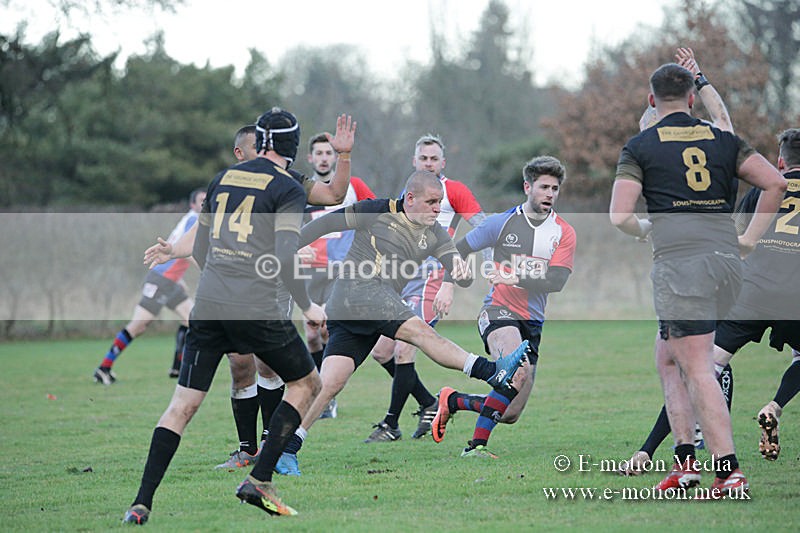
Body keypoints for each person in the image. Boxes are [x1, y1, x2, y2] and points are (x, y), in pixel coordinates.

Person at [122, 108, 351, 524]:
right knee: (308, 383)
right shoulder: (287, 187)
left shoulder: (223, 178)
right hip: (257, 306)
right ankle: (260, 478)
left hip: (209, 305)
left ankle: (141, 503)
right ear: (292, 147)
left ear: (259, 143)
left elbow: (205, 244)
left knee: (182, 405)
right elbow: (284, 256)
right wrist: (307, 306)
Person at [272, 170, 531, 475]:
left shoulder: (436, 234)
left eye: (440, 203)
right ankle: (493, 373)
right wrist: (292, 245)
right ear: (410, 199)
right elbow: (326, 223)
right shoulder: (374, 210)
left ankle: (285, 449)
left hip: (370, 308)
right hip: (355, 294)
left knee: (327, 385)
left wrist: (461, 274)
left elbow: (459, 274)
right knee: (421, 333)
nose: (438, 209)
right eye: (431, 202)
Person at [610, 62, 786, 499]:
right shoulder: (723, 139)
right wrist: (748, 239)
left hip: (682, 267)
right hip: (726, 265)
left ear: (652, 101)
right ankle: (685, 462)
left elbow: (619, 216)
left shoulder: (641, 146)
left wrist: (645, 230)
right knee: (668, 357)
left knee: (697, 365)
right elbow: (776, 182)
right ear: (691, 98)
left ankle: (728, 472)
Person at [431, 156, 576, 458]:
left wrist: (513, 275)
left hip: (532, 323)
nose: (550, 193)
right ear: (527, 187)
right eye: (544, 187)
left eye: (555, 188)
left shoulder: (564, 232)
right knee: (515, 372)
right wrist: (448, 284)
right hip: (498, 313)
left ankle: (454, 401)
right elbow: (458, 250)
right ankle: (475, 448)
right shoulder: (501, 223)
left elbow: (556, 280)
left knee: (510, 412)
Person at [365, 134, 492, 443]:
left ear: (443, 163)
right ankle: (428, 403)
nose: (429, 163)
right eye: (424, 159)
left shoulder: (455, 191)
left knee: (404, 345)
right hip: (403, 278)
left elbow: (486, 227)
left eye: (434, 159)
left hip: (432, 280)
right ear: (415, 162)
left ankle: (391, 424)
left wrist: (488, 266)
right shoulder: (407, 193)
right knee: (380, 351)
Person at [92, 188, 206, 385]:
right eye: (201, 202)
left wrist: (179, 278)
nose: (205, 205)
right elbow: (187, 252)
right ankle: (104, 368)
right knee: (139, 325)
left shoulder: (194, 220)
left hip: (171, 281)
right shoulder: (193, 219)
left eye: (207, 201)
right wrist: (207, 269)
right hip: (160, 280)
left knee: (192, 320)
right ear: (193, 205)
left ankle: (177, 368)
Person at [302, 132, 376, 419]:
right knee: (311, 334)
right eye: (318, 153)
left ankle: (325, 396)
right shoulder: (303, 190)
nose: (323, 157)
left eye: (328, 153)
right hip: (309, 271)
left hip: (342, 271)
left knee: (326, 329)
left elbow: (377, 211)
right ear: (311, 158)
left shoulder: (353, 186)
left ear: (335, 156)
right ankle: (320, 391)